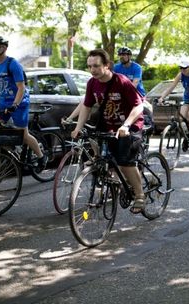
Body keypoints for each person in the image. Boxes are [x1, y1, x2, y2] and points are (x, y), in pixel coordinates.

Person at [70, 49, 146, 214]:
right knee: (101, 157)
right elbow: (87, 106)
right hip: (108, 125)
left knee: (124, 161)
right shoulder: (92, 83)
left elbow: (139, 105)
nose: (92, 70)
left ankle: (140, 195)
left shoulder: (121, 81)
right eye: (89, 66)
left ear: (107, 65)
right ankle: (115, 182)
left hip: (130, 124)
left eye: (96, 66)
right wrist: (78, 127)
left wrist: (126, 125)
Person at [0, 35, 46, 169]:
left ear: (3, 48)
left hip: (19, 103)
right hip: (3, 102)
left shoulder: (12, 64)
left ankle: (41, 157)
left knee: (24, 135)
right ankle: (14, 150)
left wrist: (14, 106)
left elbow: (21, 88)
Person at [158, 61, 189, 147]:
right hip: (187, 98)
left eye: (184, 68)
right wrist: (162, 97)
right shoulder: (180, 75)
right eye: (181, 68)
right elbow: (171, 87)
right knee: (180, 118)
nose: (182, 70)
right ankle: (187, 136)